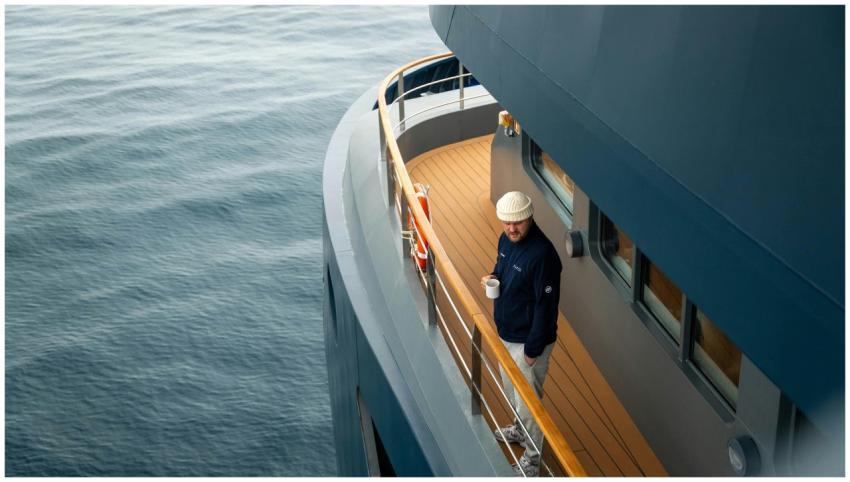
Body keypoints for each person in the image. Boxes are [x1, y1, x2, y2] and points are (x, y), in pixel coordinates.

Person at [481, 191, 562, 477]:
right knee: (511, 391)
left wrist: (532, 350)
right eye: (506, 223)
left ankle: (532, 460)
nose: (511, 229)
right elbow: (501, 269)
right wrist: (493, 278)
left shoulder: (543, 256)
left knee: (529, 404)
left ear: (530, 218)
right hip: (506, 333)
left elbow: (547, 306)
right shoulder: (506, 239)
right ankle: (518, 430)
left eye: (517, 223)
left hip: (528, 343)